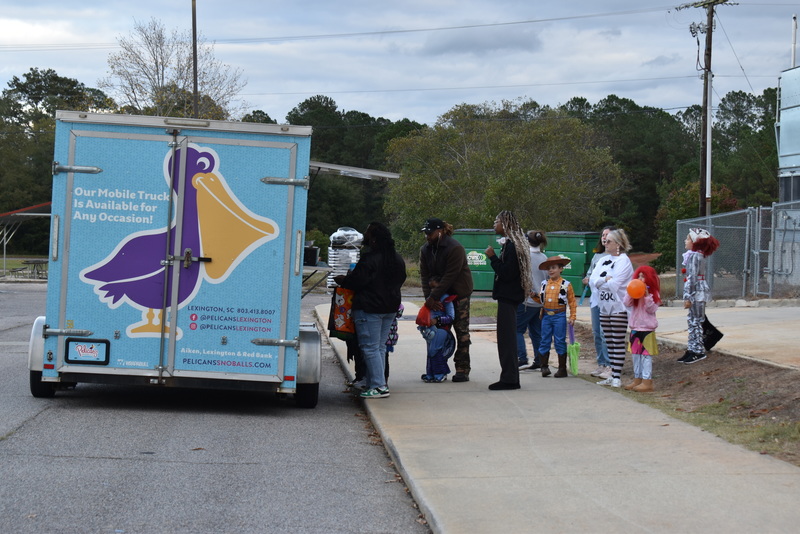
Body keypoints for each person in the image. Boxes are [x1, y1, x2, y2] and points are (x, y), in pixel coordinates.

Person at [335, 222, 407, 399]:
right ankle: (376, 381)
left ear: (373, 238)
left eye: (367, 232)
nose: (364, 236)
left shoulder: (369, 259)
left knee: (370, 347)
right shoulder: (396, 258)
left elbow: (357, 281)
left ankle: (379, 386)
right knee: (379, 347)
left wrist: (343, 280)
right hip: (390, 307)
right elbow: (402, 279)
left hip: (369, 308)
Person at [420, 218, 474, 383]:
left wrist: (433, 297)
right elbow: (424, 276)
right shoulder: (426, 249)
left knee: (461, 332)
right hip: (437, 296)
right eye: (425, 233)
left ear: (440, 231)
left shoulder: (454, 248)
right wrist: (429, 299)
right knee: (436, 333)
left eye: (430, 233)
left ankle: (462, 368)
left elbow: (449, 277)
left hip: (458, 294)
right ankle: (436, 369)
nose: (427, 236)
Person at [485, 210, 532, 390]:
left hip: (508, 297)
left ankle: (510, 379)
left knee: (507, 339)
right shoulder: (512, 244)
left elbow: (506, 273)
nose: (494, 224)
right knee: (506, 338)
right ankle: (509, 377)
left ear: (505, 224)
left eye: (496, 221)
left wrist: (492, 258)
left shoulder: (513, 246)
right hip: (509, 297)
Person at [589, 228, 634, 388]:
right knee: (608, 341)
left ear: (618, 244)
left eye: (609, 241)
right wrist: (604, 280)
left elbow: (615, 285)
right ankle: (611, 373)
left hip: (618, 306)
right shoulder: (602, 260)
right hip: (604, 305)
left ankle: (616, 376)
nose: (605, 243)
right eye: (605, 240)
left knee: (617, 341)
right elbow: (592, 281)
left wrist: (604, 281)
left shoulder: (624, 261)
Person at [679, 228, 720, 364]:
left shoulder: (696, 256)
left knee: (695, 321)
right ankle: (692, 348)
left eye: (688, 239)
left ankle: (698, 351)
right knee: (692, 320)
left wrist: (688, 296)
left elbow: (692, 278)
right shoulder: (695, 255)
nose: (685, 241)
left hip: (697, 293)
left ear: (695, 242)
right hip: (696, 292)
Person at [536, 255, 578, 377]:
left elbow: (572, 302)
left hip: (559, 315)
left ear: (561, 269)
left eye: (554, 268)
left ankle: (562, 368)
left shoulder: (566, 284)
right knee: (544, 339)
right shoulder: (544, 284)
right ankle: (544, 367)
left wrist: (572, 316)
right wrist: (534, 296)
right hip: (546, 315)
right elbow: (541, 300)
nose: (551, 270)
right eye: (549, 268)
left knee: (559, 340)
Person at [583, 226, 615, 379]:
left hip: (609, 301)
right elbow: (590, 274)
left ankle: (610, 365)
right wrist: (588, 280)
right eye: (603, 235)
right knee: (596, 332)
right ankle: (601, 363)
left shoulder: (618, 258)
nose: (604, 238)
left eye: (607, 235)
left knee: (605, 332)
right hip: (595, 300)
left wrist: (600, 281)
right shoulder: (597, 257)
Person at [623, 265, 661, 392]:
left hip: (647, 329)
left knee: (646, 355)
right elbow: (626, 303)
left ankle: (647, 381)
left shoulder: (653, 293)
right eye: (638, 276)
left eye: (643, 276)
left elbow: (652, 309)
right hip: (635, 327)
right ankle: (637, 379)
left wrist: (646, 296)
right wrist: (630, 293)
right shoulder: (635, 294)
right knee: (635, 355)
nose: (640, 278)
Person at [517, 230, 549, 371]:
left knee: (516, 329)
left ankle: (521, 358)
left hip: (527, 300)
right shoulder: (544, 257)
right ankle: (539, 359)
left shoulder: (525, 257)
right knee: (536, 332)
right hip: (540, 301)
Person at [417, 287, 457, 383]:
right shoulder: (430, 299)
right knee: (430, 351)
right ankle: (430, 374)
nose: (433, 290)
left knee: (434, 350)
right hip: (430, 329)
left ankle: (441, 373)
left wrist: (437, 320)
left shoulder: (446, 299)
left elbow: (451, 317)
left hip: (442, 328)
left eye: (435, 287)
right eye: (430, 287)